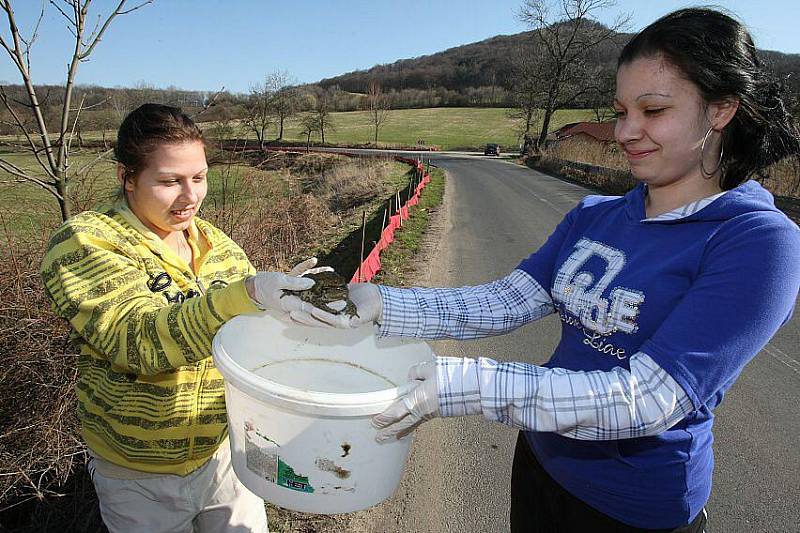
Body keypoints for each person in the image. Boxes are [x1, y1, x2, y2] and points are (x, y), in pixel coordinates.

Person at [311, 9, 800, 532]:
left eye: (653, 110)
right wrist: (376, 304)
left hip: (634, 506)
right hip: (542, 459)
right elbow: (507, 301)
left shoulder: (756, 242)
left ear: (722, 109)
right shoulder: (597, 215)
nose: (626, 132)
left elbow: (650, 398)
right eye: (621, 110)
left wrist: (469, 383)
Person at [40, 103, 325, 532]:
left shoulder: (218, 246)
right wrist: (242, 296)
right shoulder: (85, 242)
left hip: (226, 455)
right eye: (170, 181)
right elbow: (136, 342)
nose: (190, 196)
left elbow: (246, 343)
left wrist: (294, 326)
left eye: (198, 177)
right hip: (139, 475)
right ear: (126, 177)